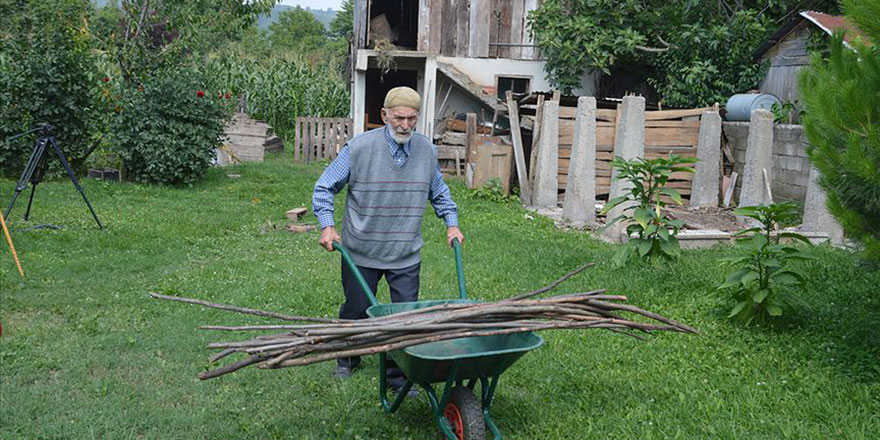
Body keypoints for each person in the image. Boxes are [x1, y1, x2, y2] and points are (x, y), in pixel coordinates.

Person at [312, 86, 464, 394]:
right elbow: (324, 187)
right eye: (399, 118)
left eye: (412, 119)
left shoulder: (425, 150)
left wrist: (452, 224)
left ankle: (398, 377)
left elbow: (440, 192)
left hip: (404, 252)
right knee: (356, 309)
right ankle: (347, 357)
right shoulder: (358, 149)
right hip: (361, 249)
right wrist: (327, 226)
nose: (405, 125)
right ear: (384, 115)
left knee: (404, 318)